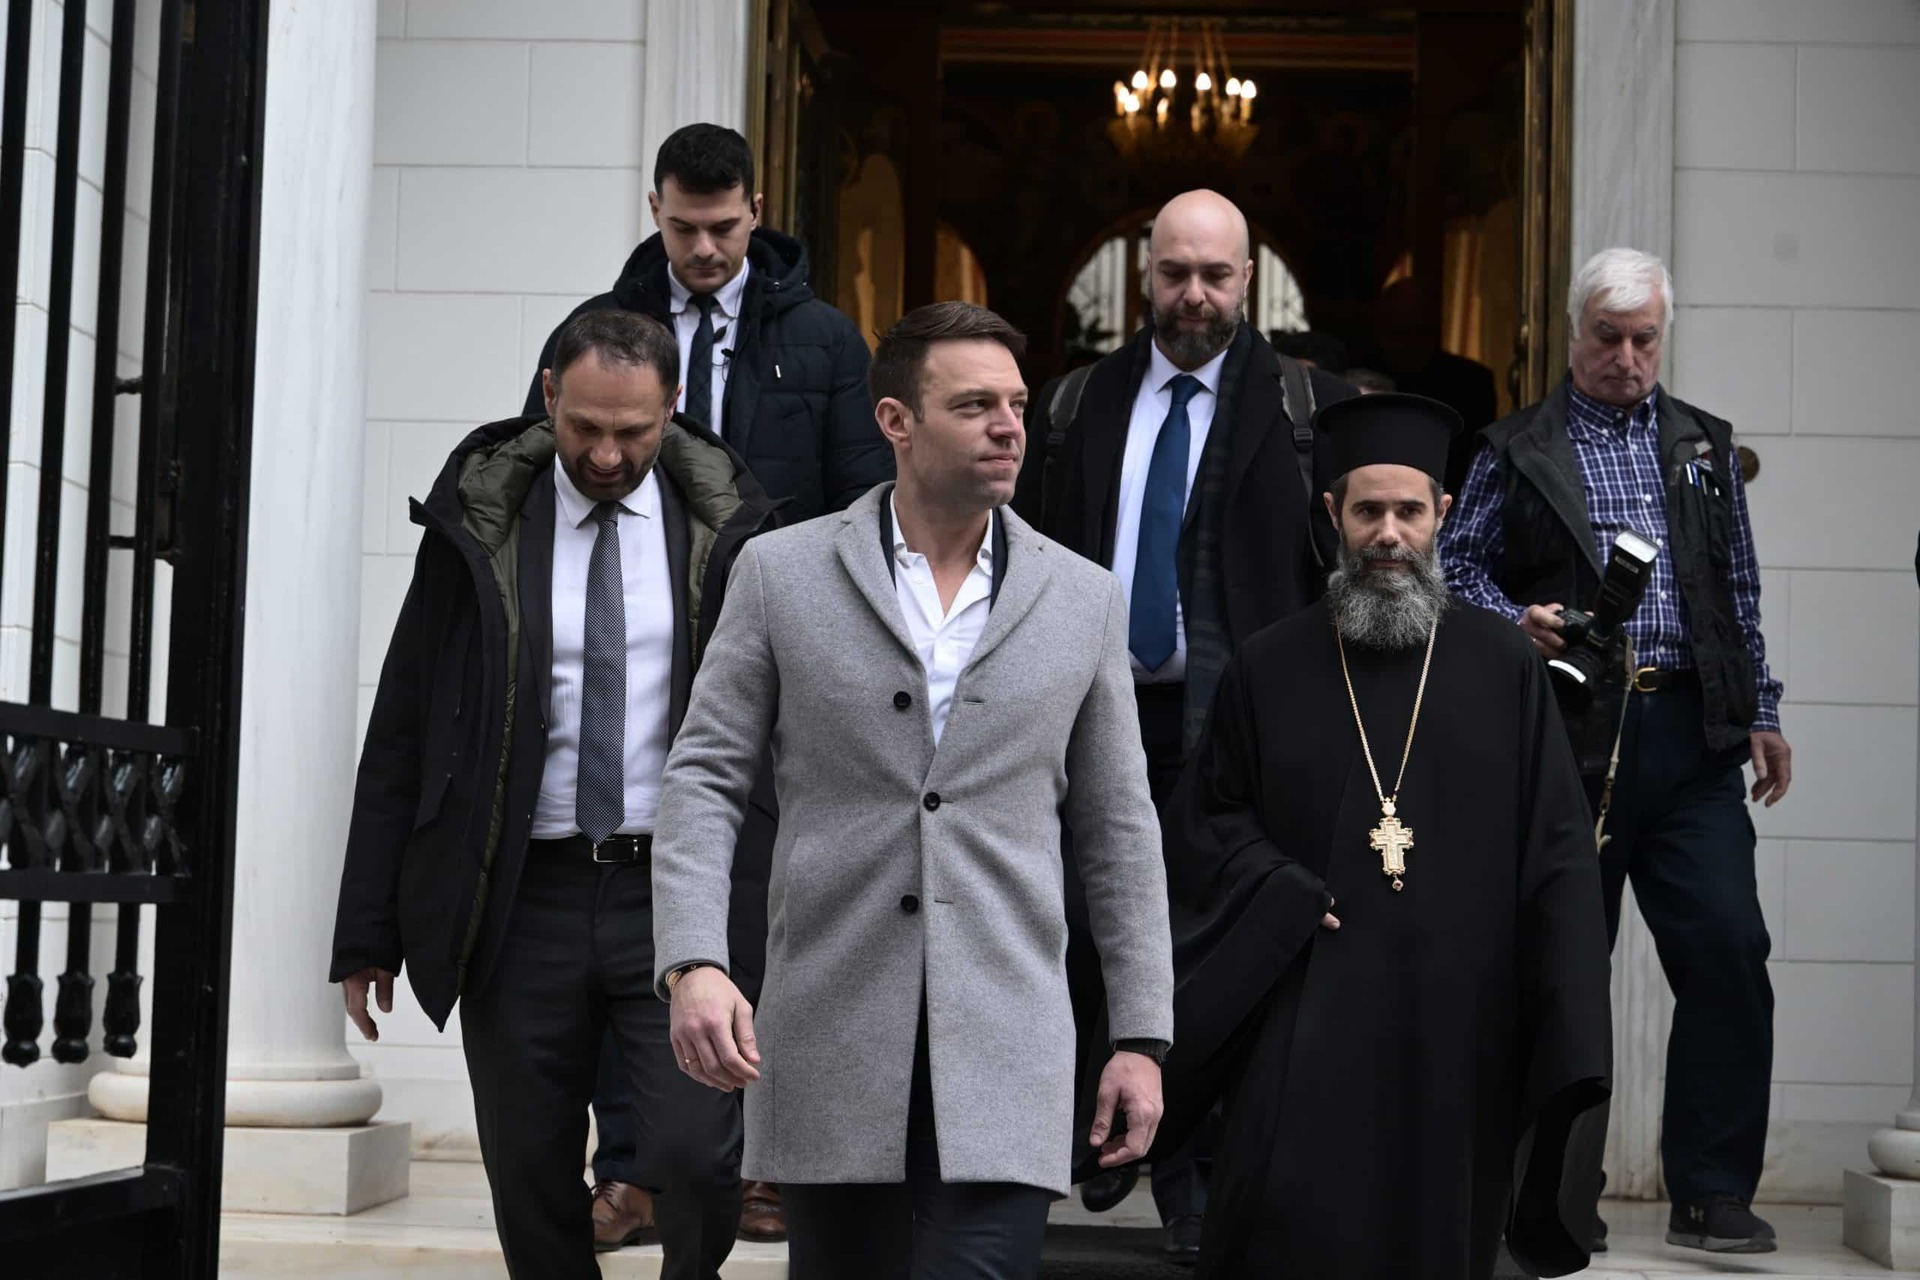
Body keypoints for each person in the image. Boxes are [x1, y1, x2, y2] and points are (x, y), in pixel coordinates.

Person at [651, 302, 1175, 1279]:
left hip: (1010, 1043)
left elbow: (1118, 828)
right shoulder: (780, 572)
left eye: (1016, 404)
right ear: (896, 420)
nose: (1009, 426)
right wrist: (693, 960)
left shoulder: (1082, 597)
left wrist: (1141, 1035)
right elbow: (705, 777)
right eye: (975, 405)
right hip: (829, 1036)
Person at [330, 311, 776, 1280]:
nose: (607, 454)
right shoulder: (481, 526)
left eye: (634, 431)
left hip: (678, 894)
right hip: (521, 896)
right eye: (585, 427)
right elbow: (405, 723)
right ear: (547, 396)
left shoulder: (734, 534)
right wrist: (367, 929)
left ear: (674, 406)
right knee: (529, 1169)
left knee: (700, 1152)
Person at [526, 122, 891, 1244]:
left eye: (723, 227)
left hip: (784, 647)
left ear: (756, 211)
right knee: (630, 908)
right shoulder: (602, 329)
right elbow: (551, 465)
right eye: (684, 226)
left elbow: (859, 494)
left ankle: (759, 1156)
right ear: (656, 210)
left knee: (766, 899)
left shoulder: (822, 339)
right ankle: (633, 1169)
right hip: (639, 634)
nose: (704, 248)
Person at [1157, 391, 1612, 1279]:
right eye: (1369, 512)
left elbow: (1556, 851)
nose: (1389, 535)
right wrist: (1274, 887)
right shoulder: (1269, 664)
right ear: (1334, 514)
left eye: (1410, 512)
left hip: (1461, 1025)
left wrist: (1566, 1011)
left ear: (1443, 514)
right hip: (1304, 1010)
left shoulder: (1505, 665)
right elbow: (1206, 825)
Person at [1013, 188, 1358, 1257]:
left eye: (1215, 275)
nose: (1194, 295)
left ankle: (1196, 1178)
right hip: (1098, 718)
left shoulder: (1311, 409)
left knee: (1217, 946)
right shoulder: (1073, 405)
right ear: (1145, 274)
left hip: (1244, 729)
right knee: (1088, 928)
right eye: (1174, 273)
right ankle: (1110, 1134)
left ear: (1248, 280)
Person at [1441, 247, 1790, 1255]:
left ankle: (1712, 1189)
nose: (1628, 358)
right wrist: (1516, 620)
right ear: (1573, 334)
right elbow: (1453, 568)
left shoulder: (1703, 445)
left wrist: (1761, 710)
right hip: (1568, 734)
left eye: (1645, 339)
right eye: (1609, 337)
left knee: (1729, 950)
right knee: (1562, 968)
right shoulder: (1514, 446)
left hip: (1691, 735)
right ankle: (1553, 1197)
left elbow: (1738, 588)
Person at [1372, 278, 1498, 497]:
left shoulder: (1471, 383)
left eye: (1420, 331)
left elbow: (1476, 461)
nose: (1410, 344)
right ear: (1381, 332)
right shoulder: (1363, 380)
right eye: (1400, 332)